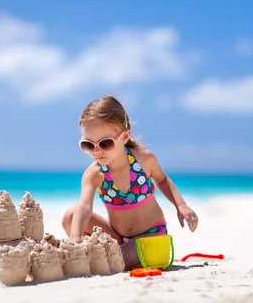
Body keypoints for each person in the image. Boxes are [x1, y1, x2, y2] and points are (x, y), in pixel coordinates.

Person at [61, 94, 198, 270]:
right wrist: (75, 238)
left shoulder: (144, 160)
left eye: (105, 143)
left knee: (113, 260)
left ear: (125, 137)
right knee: (70, 217)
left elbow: (162, 180)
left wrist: (181, 205)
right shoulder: (94, 174)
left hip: (153, 238)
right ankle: (91, 253)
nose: (96, 151)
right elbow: (84, 207)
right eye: (88, 145)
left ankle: (104, 257)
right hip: (119, 237)